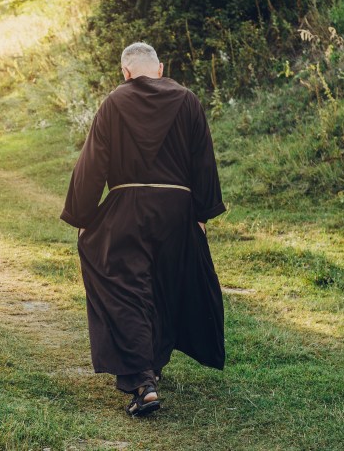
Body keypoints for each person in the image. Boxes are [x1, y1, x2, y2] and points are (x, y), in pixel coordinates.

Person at [60, 42, 226, 417]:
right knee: (164, 286)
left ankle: (143, 380)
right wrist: (200, 213)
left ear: (125, 72)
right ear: (160, 69)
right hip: (177, 210)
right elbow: (203, 160)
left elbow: (93, 162)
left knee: (124, 286)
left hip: (127, 208)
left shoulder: (115, 102)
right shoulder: (188, 100)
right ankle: (154, 365)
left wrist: (84, 217)